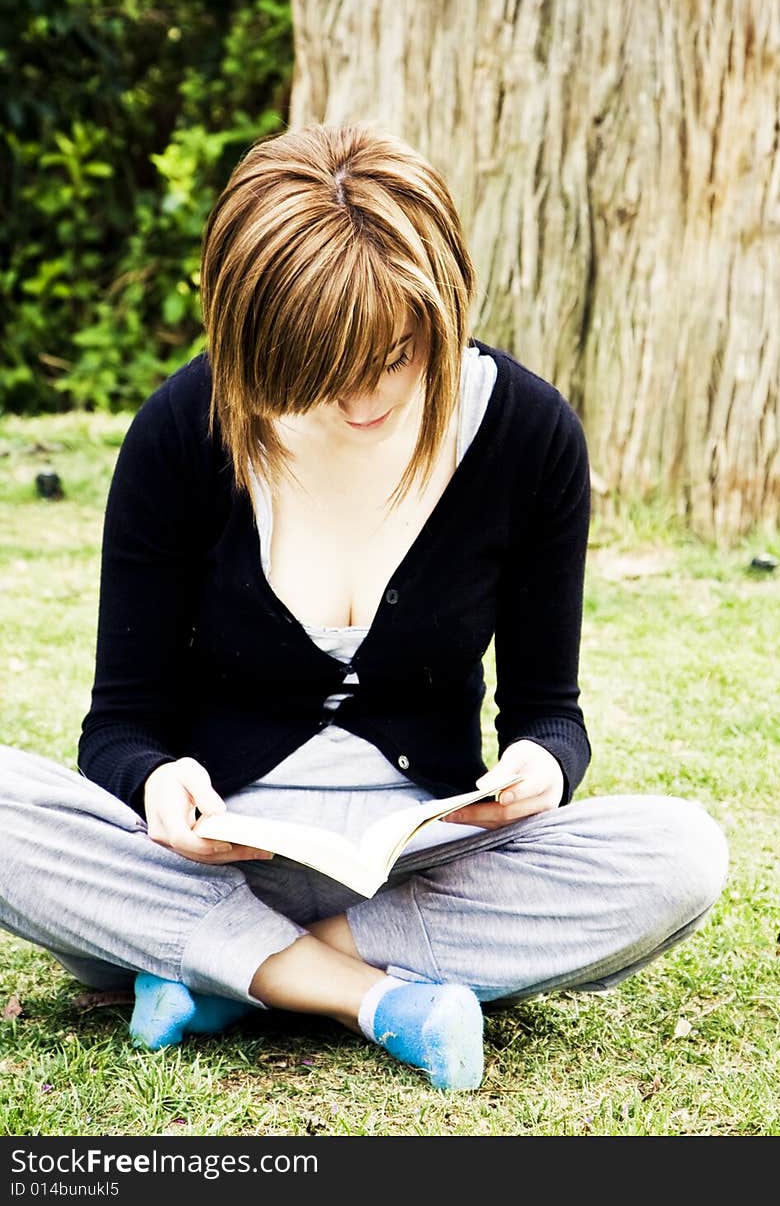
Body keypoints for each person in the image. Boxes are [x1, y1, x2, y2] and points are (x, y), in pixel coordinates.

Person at [0, 121, 728, 1091]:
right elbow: (120, 726)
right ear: (252, 337)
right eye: (319, 370)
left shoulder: (527, 435)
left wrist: (541, 767)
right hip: (213, 866)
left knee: (682, 853)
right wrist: (157, 781)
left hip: (420, 872)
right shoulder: (181, 432)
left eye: (397, 352)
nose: (365, 395)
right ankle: (377, 997)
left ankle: (238, 974)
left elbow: (550, 712)